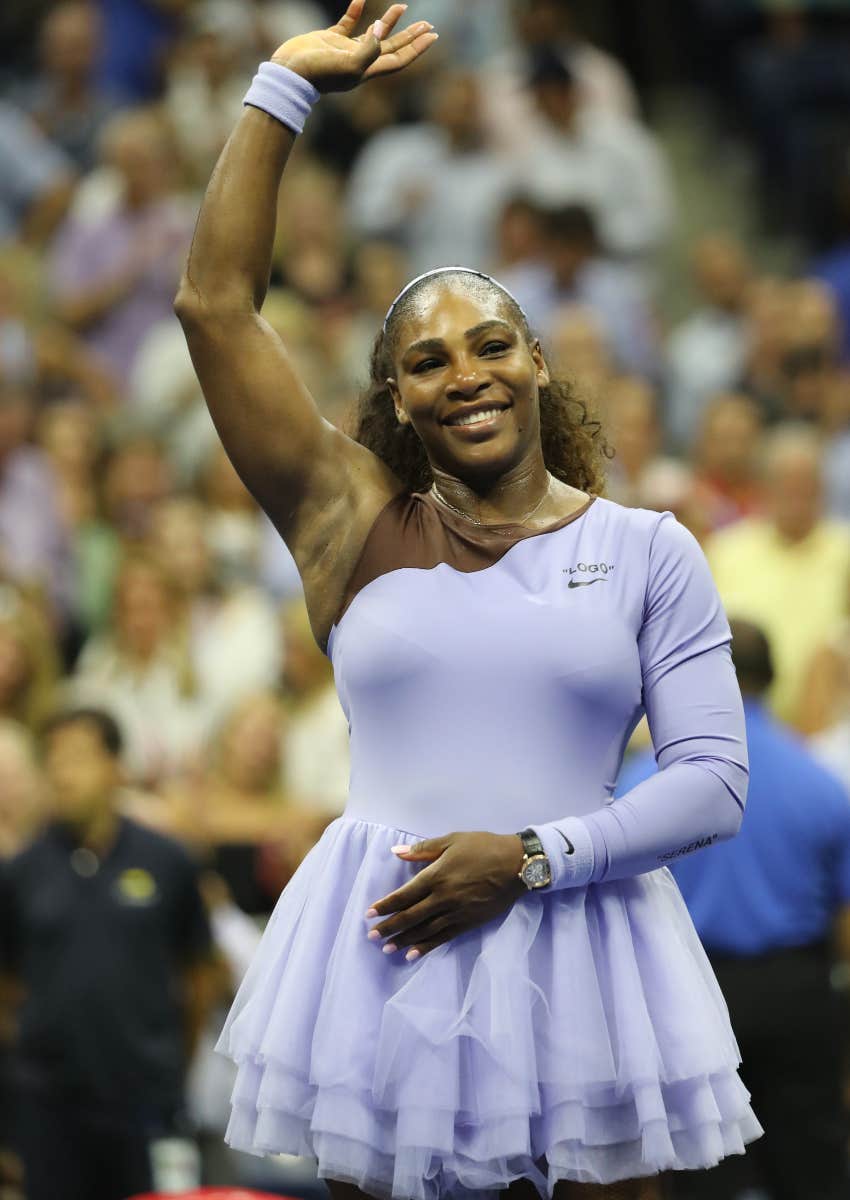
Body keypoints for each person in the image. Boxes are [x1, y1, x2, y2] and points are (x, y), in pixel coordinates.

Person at [174, 4, 761, 1197]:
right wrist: (284, 82)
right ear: (394, 395)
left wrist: (533, 857)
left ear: (537, 358)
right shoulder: (346, 517)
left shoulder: (649, 548)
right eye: (428, 360)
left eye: (491, 345)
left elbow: (710, 782)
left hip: (592, 957)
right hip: (388, 962)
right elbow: (216, 308)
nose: (467, 376)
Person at [617, 620, 850, 1200]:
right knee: (811, 1164)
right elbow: (846, 920)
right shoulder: (821, 781)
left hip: (683, 997)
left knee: (701, 1175)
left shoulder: (639, 784)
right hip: (798, 990)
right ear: (772, 680)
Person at [0, 706, 216, 1200]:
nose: (61, 773)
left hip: (146, 1101)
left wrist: (166, 1061)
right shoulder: (20, 872)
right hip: (48, 1108)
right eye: (52, 759)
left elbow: (201, 973)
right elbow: (7, 984)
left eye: (77, 757)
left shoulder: (168, 861)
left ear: (117, 767)